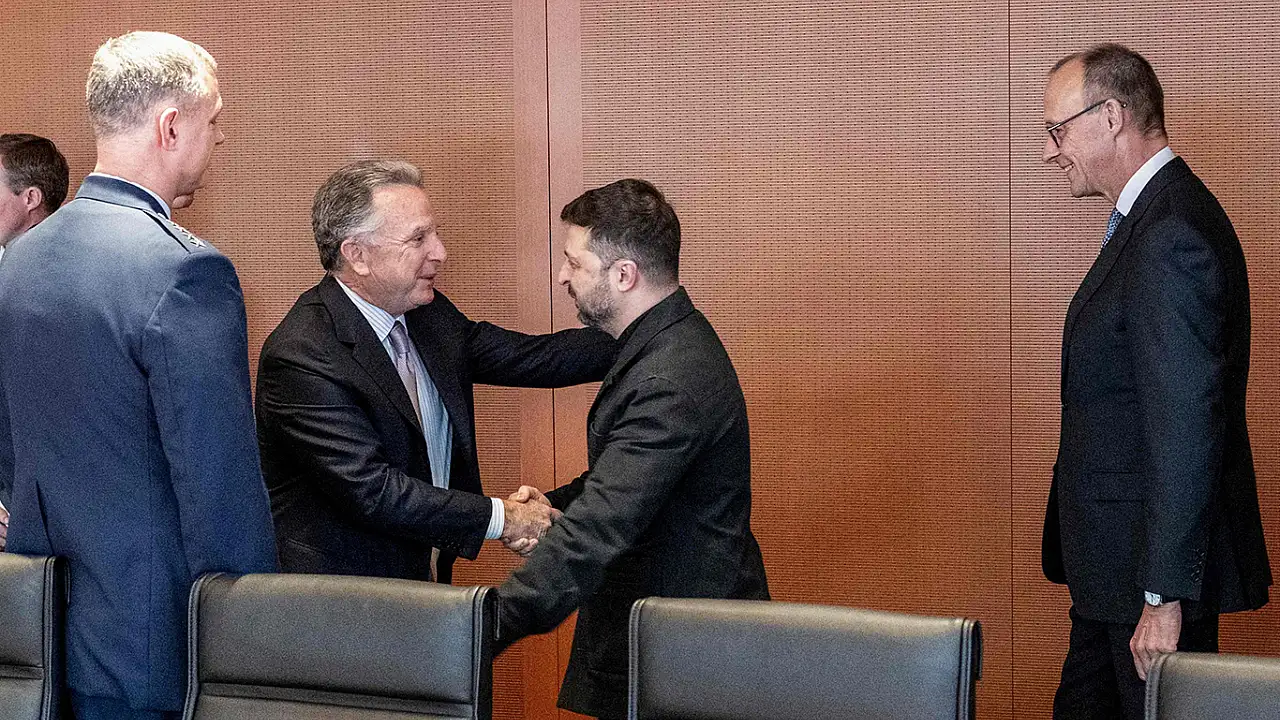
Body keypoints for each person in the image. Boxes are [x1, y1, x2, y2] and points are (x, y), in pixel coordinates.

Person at [0, 31, 277, 720]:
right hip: (154, 647)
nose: (219, 139)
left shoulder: (20, 259)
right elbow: (217, 482)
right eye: (214, 122)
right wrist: (256, 644)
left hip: (37, 632)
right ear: (171, 126)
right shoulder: (186, 270)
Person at [1040, 43, 1271, 719]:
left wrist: (1161, 597)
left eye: (1057, 130)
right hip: (1113, 577)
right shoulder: (1151, 221)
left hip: (1146, 587)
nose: (1050, 151)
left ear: (1111, 116)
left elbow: (1185, 425)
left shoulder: (1171, 232)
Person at [255, 159, 616, 583]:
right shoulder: (302, 354)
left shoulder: (425, 313)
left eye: (435, 234)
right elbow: (374, 490)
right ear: (357, 255)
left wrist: (646, 328)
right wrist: (504, 518)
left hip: (420, 579)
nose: (440, 252)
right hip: (341, 598)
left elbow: (534, 358)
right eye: (418, 238)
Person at [494, 179, 769, 720]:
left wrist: (484, 626)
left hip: (686, 656)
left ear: (623, 274)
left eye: (574, 262)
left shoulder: (670, 375)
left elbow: (602, 525)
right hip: (667, 640)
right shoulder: (661, 344)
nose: (562, 276)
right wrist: (553, 507)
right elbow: (625, 474)